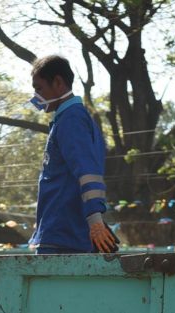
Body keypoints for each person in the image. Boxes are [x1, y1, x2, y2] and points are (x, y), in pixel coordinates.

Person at [28, 55, 117, 254]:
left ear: (58, 83)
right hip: (64, 233)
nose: (35, 96)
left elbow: (87, 171)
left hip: (65, 235)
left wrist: (95, 219)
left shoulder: (71, 120)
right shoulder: (69, 119)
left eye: (39, 88)